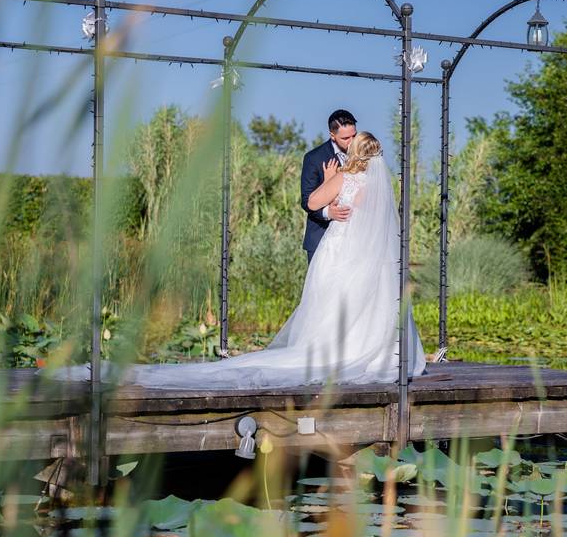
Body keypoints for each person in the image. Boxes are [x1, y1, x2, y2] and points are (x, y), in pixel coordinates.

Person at [53, 132, 426, 389]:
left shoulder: (344, 177)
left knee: (329, 304)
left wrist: (329, 202)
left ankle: (326, 352)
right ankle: (367, 352)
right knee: (365, 306)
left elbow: (312, 203)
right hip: (369, 259)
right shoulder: (378, 188)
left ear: (355, 152)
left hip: (340, 252)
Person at [300, 109, 357, 263]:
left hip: (355, 241)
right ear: (332, 135)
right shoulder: (314, 158)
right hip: (321, 237)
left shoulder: (363, 155)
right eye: (345, 138)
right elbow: (306, 201)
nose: (351, 141)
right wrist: (328, 213)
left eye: (354, 135)